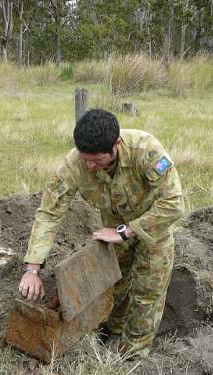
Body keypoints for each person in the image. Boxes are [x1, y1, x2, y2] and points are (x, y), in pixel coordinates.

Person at [18, 109, 184, 358]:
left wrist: (127, 231)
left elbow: (173, 204)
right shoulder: (75, 163)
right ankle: (112, 331)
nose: (90, 167)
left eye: (97, 161)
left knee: (147, 293)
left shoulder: (146, 150)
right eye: (85, 159)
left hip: (153, 228)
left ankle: (132, 355)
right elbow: (49, 213)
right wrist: (32, 269)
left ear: (116, 144)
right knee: (114, 286)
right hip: (113, 230)